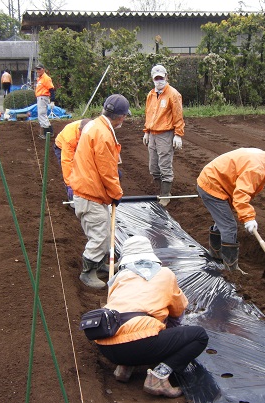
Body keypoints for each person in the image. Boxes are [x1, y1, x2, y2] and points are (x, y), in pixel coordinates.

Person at [95, 235, 209, 398]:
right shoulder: (165, 274)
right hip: (139, 345)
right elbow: (178, 311)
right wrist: (168, 336)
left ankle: (124, 366)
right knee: (199, 336)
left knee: (135, 326)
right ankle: (159, 376)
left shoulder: (119, 277)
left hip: (106, 346)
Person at [196, 147, 265, 271]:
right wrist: (248, 218)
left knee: (224, 220)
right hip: (212, 186)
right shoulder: (257, 169)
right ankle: (231, 269)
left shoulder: (264, 159)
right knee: (229, 226)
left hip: (221, 183)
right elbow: (241, 194)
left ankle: (216, 253)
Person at [68, 94, 130, 289]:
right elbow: (108, 171)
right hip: (90, 193)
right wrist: (116, 193)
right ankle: (88, 273)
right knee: (100, 235)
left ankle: (102, 264)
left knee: (103, 231)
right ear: (120, 117)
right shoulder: (103, 134)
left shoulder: (94, 126)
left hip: (90, 190)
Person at [142, 64, 185, 207]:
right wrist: (147, 131)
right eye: (156, 78)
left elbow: (178, 115)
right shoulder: (151, 94)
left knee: (164, 166)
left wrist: (178, 134)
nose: (159, 81)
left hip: (165, 134)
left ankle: (166, 195)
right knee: (153, 168)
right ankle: (161, 191)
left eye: (161, 78)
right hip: (153, 134)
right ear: (152, 79)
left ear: (166, 77)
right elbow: (148, 114)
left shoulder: (173, 94)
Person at [54, 118, 90, 204]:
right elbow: (67, 162)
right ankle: (73, 197)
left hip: (80, 146)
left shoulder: (94, 130)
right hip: (62, 146)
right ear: (79, 131)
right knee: (73, 169)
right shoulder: (70, 138)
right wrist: (70, 184)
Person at [34, 64, 55, 139]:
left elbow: (51, 89)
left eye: (39, 69)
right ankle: (50, 132)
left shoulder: (46, 78)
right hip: (40, 98)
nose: (38, 71)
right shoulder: (40, 78)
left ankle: (47, 134)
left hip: (43, 97)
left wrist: (52, 100)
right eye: (37, 69)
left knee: (42, 114)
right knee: (42, 115)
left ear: (43, 69)